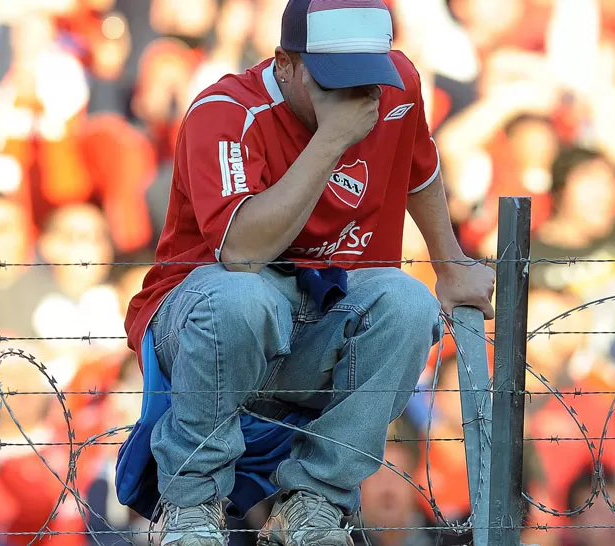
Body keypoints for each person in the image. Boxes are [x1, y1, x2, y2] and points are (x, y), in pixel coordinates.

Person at [118, 1, 495, 545]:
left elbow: (421, 166)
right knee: (247, 298)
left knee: (409, 304)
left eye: (366, 77)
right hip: (206, 323)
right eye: (334, 81)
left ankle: (316, 503)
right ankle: (192, 505)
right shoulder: (225, 110)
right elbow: (242, 252)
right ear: (286, 64)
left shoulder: (396, 85)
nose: (356, 96)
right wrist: (331, 140)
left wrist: (450, 263)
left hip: (318, 320)